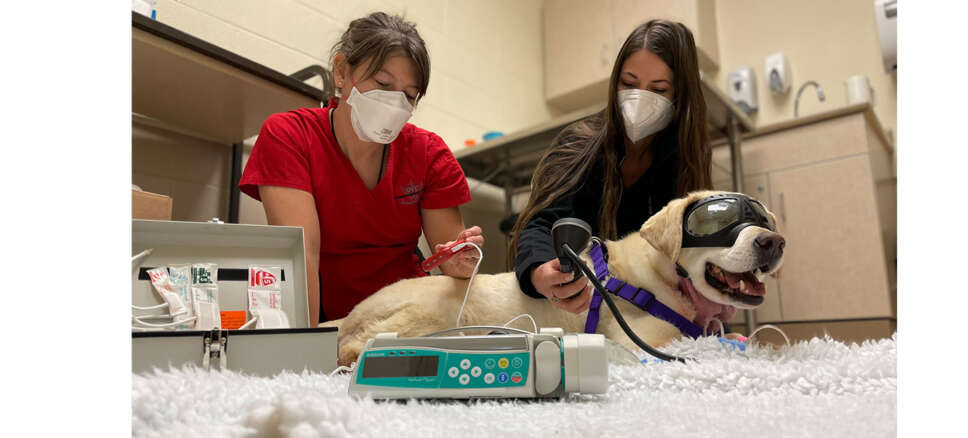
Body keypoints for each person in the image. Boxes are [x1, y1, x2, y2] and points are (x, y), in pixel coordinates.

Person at [240, 12, 483, 326]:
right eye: (382, 83)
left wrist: (463, 262)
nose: (395, 103)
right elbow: (301, 261)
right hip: (327, 318)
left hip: (405, 316)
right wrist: (309, 354)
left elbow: (451, 262)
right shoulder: (290, 136)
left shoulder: (428, 153)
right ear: (342, 72)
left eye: (408, 95)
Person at [508, 19, 712, 314]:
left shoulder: (682, 163)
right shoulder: (579, 145)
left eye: (658, 89)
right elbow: (541, 224)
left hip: (642, 311)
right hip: (574, 307)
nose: (640, 98)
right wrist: (541, 273)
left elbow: (693, 255)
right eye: (628, 84)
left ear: (679, 97)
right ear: (615, 81)